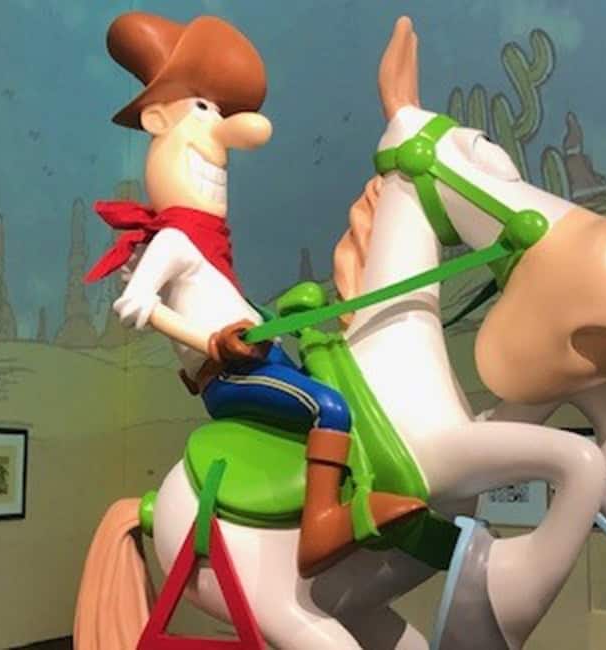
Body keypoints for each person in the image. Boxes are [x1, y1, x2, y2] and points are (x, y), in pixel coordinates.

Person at [85, 12, 424, 576]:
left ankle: (353, 494)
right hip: (230, 376)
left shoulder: (208, 244)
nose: (222, 133)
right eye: (204, 109)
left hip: (259, 356)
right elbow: (136, 307)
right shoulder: (175, 240)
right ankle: (320, 528)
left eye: (220, 114)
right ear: (158, 121)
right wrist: (212, 343)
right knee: (329, 407)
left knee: (343, 380)